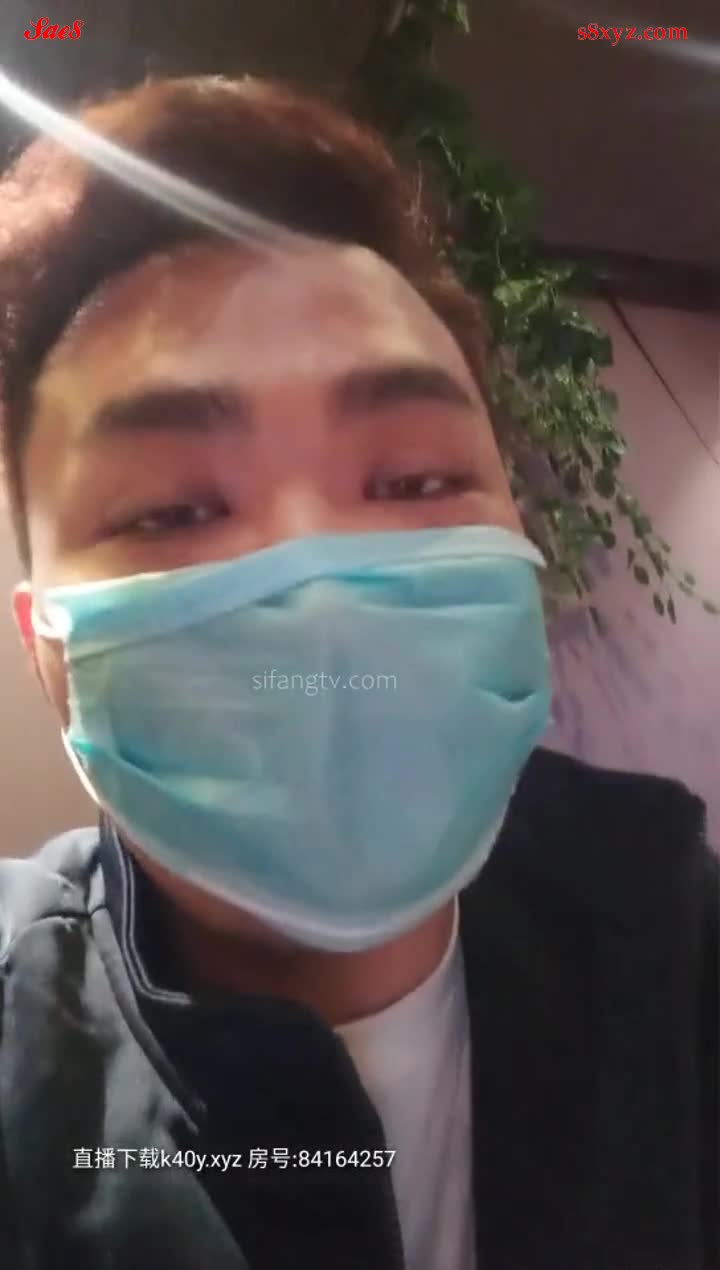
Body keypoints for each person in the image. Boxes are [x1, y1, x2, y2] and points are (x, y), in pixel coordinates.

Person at [0, 74, 716, 1270]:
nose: (319, 590)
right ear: (47, 650)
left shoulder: (676, 955)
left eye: (416, 481)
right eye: (175, 508)